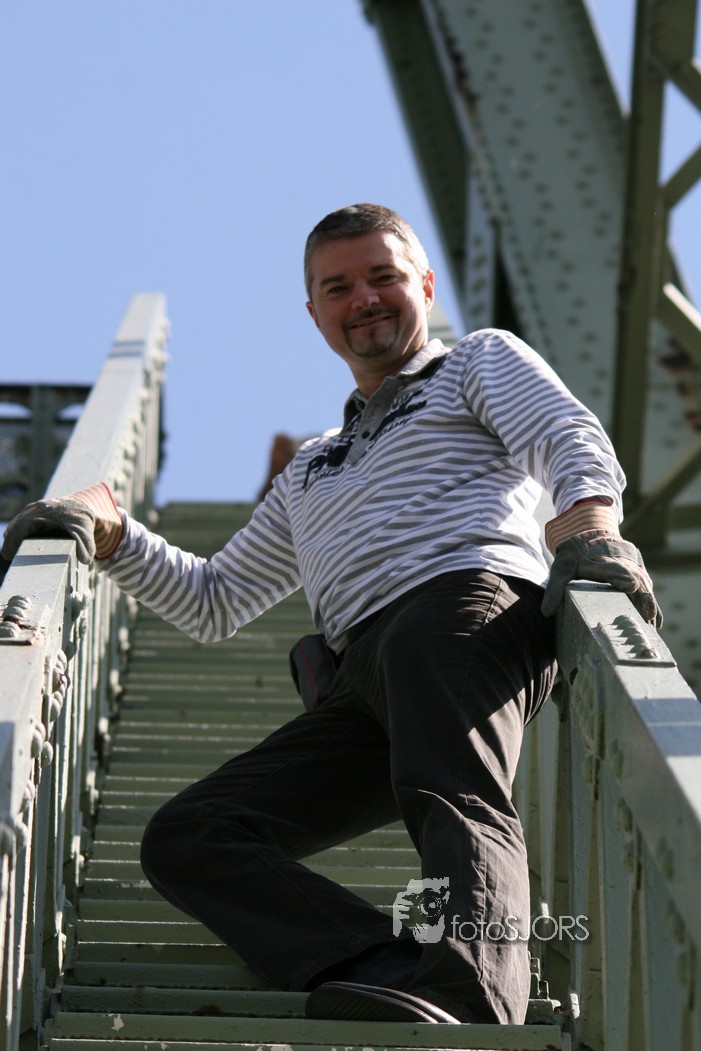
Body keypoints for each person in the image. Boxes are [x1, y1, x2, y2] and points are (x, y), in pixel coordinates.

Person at [1, 203, 661, 1026]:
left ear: (423, 285)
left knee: (451, 792)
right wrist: (112, 533)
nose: (364, 298)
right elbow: (214, 599)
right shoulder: (314, 464)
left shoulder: (475, 362)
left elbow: (564, 431)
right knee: (191, 833)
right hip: (358, 672)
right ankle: (385, 966)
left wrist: (589, 527)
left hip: (460, 605)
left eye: (383, 276)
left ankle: (473, 994)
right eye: (338, 286)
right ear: (313, 312)